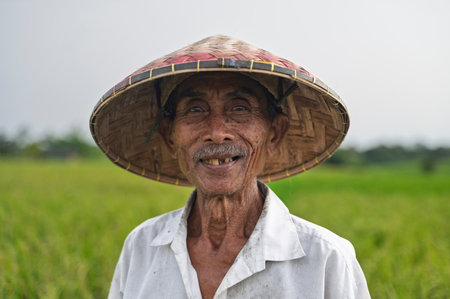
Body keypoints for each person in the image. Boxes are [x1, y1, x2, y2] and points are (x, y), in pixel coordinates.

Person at [90, 35, 370, 299]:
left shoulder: (327, 259)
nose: (217, 132)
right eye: (196, 110)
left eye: (239, 108)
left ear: (274, 133)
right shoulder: (141, 247)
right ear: (169, 136)